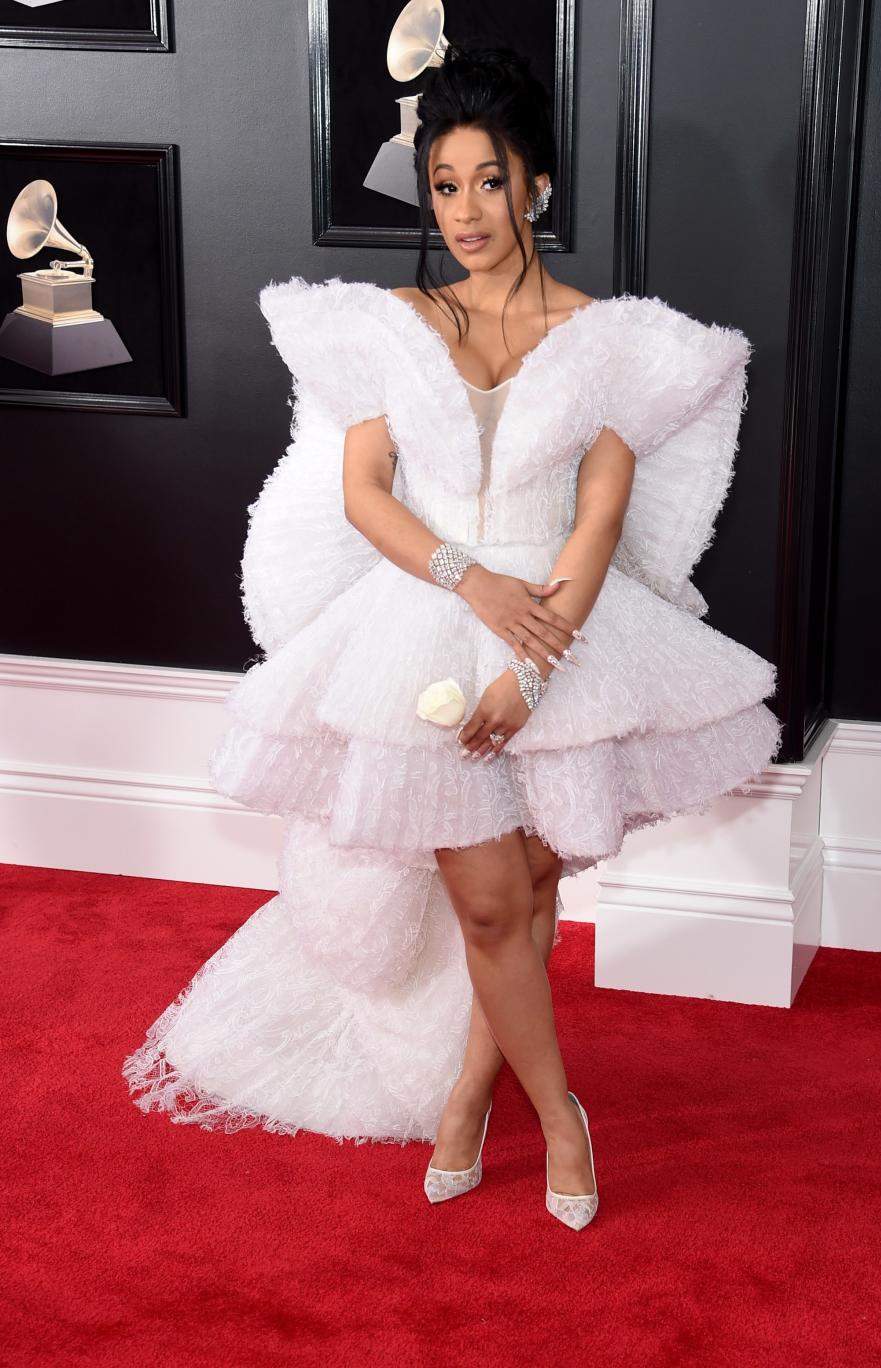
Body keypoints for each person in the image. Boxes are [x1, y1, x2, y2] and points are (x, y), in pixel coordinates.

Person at [121, 43, 782, 1232]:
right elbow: (368, 488)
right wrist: (468, 582)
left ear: (535, 186)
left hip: (566, 636)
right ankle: (562, 1116)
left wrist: (534, 665)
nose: (464, 210)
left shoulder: (607, 336)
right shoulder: (393, 322)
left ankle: (470, 1101)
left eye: (488, 180)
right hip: (420, 631)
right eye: (443, 185)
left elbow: (599, 517)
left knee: (530, 893)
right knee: (488, 906)